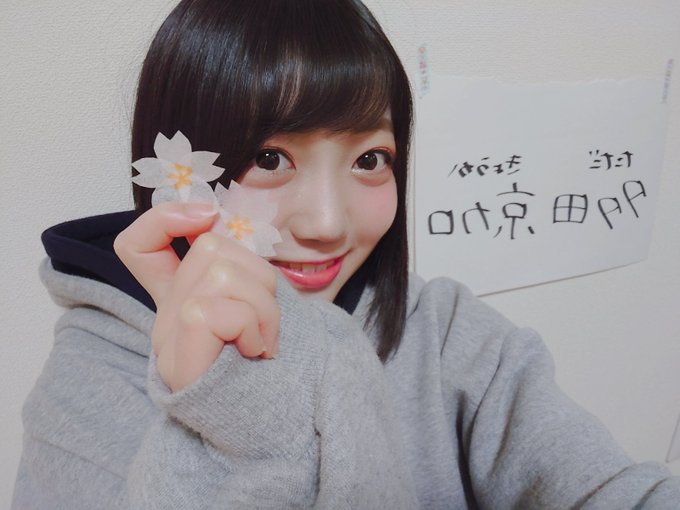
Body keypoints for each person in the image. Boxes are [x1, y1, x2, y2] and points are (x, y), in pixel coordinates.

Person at [12, 0, 680, 508]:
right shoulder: (89, 389)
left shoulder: (444, 331)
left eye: (370, 159)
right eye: (269, 158)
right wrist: (233, 414)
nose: (328, 225)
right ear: (175, 173)